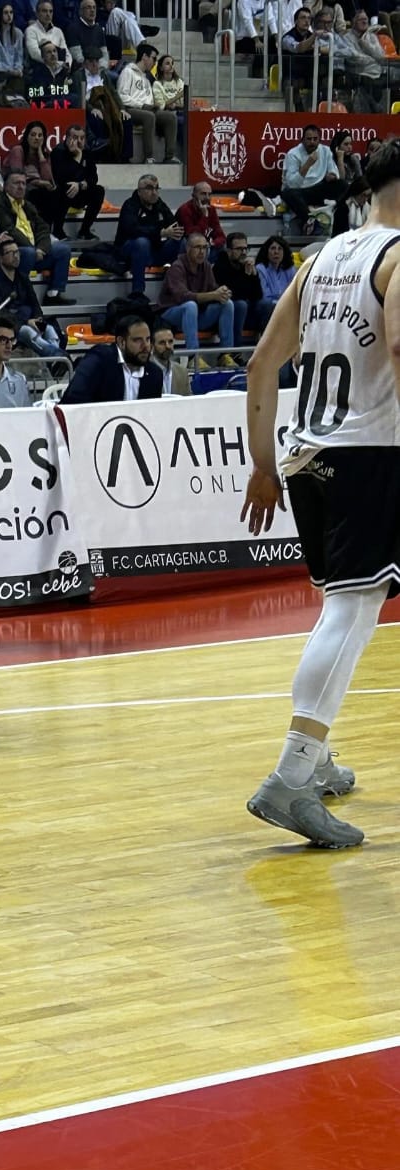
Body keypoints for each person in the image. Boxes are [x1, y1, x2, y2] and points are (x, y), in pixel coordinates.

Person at [240, 141, 400, 849]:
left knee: (335, 607)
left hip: (306, 454)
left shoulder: (318, 260)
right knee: (353, 611)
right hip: (369, 452)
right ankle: (293, 775)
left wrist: (261, 466)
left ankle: (319, 757)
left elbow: (260, 365)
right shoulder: (396, 257)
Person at [0, 169, 75, 305]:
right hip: (15, 252)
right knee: (28, 252)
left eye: (23, 183)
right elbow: (10, 230)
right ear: (6, 186)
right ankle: (19, 294)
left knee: (63, 249)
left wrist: (41, 249)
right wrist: (33, 249)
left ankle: (53, 294)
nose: (21, 187)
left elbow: (43, 228)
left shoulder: (28, 205)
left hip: (35, 252)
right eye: (16, 183)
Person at [0, 237, 62, 356]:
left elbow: (34, 303)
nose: (16, 256)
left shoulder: (22, 277)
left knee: (49, 329)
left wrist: (37, 319)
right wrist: (26, 321)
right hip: (8, 326)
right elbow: (0, 313)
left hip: (28, 320)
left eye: (17, 252)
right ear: (0, 258)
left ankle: (56, 360)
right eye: (11, 253)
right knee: (27, 332)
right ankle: (57, 355)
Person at [158, 233, 236, 358]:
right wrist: (213, 295)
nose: (202, 252)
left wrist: (223, 292)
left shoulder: (206, 266)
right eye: (198, 247)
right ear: (188, 249)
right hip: (172, 314)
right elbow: (183, 297)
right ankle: (193, 357)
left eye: (205, 247)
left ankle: (226, 354)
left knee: (227, 304)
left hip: (196, 315)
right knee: (190, 305)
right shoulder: (177, 267)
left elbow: (213, 289)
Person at [61, 313, 162, 402]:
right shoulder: (98, 362)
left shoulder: (154, 374)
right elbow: (73, 401)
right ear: (121, 342)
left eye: (148, 339)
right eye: (137, 340)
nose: (145, 346)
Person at [115, 172, 182, 294]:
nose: (154, 192)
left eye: (156, 188)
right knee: (142, 242)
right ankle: (138, 292)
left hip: (154, 252)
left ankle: (178, 287)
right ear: (139, 191)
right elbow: (132, 229)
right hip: (130, 251)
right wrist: (160, 233)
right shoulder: (130, 205)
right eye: (149, 188)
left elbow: (173, 224)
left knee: (182, 241)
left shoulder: (159, 204)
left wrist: (175, 231)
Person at [116, 41, 179, 165]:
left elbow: (149, 99)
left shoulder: (146, 78)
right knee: (149, 116)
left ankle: (169, 156)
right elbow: (121, 96)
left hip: (147, 108)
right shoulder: (128, 72)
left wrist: (160, 106)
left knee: (170, 117)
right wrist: (142, 105)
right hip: (130, 109)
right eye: (153, 58)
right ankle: (149, 157)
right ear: (144, 56)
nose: (155, 62)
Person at [280, 124, 348, 233]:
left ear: (319, 140)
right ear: (302, 140)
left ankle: (338, 216)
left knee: (343, 185)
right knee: (288, 193)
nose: (312, 142)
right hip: (301, 191)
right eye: (309, 139)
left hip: (319, 188)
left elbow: (334, 172)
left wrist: (331, 176)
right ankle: (310, 221)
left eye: (315, 139)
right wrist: (308, 164)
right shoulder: (293, 154)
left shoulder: (325, 151)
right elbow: (292, 184)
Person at [49, 123, 104, 240]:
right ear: (67, 138)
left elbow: (93, 178)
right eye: (75, 137)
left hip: (80, 191)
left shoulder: (87, 153)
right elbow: (62, 178)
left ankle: (84, 231)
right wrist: (78, 157)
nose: (79, 141)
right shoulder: (58, 152)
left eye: (82, 138)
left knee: (99, 190)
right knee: (66, 187)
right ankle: (57, 231)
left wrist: (81, 185)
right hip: (62, 194)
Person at [213, 230, 268, 348]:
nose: (243, 252)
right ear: (229, 251)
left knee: (266, 304)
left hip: (247, 312)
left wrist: (253, 274)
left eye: (245, 249)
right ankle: (236, 351)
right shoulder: (220, 266)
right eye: (239, 249)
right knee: (240, 305)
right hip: (228, 311)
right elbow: (233, 293)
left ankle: (266, 347)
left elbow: (257, 295)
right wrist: (246, 276)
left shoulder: (246, 265)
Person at [4, 120, 57, 225]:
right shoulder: (18, 150)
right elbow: (17, 176)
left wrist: (41, 155)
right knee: (35, 194)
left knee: (53, 194)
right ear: (26, 137)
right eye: (33, 135)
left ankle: (47, 230)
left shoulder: (45, 155)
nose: (36, 138)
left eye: (40, 135)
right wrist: (39, 182)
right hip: (18, 187)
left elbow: (49, 180)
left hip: (37, 189)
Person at [175, 181, 226, 254]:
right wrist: (204, 216)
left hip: (206, 245)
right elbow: (193, 236)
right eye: (203, 194)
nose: (207, 198)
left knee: (223, 246)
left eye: (209, 194)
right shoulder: (184, 210)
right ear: (193, 196)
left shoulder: (211, 209)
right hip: (189, 248)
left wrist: (212, 243)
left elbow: (220, 236)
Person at [0, 0, 23, 88]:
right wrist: (9, 70)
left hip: (15, 72)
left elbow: (19, 57)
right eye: (6, 13)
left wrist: (18, 69)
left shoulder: (18, 33)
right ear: (0, 15)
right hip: (0, 72)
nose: (9, 15)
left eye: (11, 12)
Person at [149, 321, 191, 395]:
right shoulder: (144, 371)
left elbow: (189, 399)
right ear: (152, 346)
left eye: (170, 342)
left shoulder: (182, 372)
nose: (168, 346)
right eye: (162, 343)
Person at [24, 0, 70, 65]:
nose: (48, 14)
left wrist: (68, 64)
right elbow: (34, 53)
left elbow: (66, 53)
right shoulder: (30, 30)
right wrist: (55, 63)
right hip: (39, 67)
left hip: (59, 67)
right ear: (37, 13)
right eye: (44, 11)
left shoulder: (58, 31)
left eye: (50, 11)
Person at [255, 234, 296, 306]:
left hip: (286, 305)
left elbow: (294, 292)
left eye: (280, 249)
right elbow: (265, 297)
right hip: (268, 306)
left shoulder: (289, 269)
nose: (276, 252)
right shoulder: (260, 269)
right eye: (273, 248)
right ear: (267, 251)